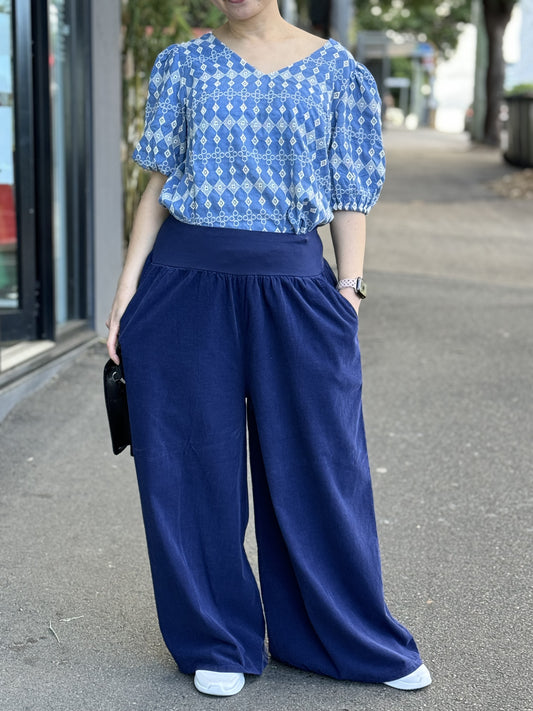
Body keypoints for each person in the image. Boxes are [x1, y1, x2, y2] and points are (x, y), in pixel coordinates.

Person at [106, 0, 431, 698]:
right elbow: (156, 184)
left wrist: (348, 290)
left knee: (322, 460)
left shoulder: (337, 71)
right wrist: (125, 291)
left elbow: (350, 192)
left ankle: (338, 633)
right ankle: (216, 636)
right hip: (183, 283)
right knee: (188, 464)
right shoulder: (182, 64)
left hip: (295, 283)